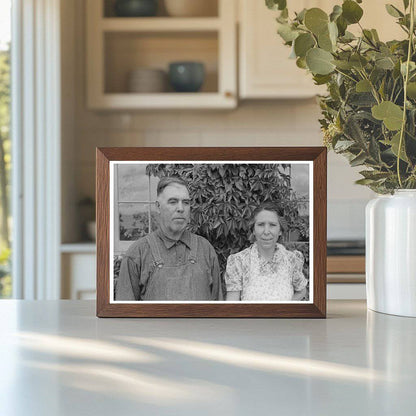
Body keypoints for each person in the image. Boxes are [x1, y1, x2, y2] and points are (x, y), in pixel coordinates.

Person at [115, 176, 223, 301]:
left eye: (186, 202)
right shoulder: (137, 253)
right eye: (173, 202)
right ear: (157, 206)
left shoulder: (205, 249)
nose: (181, 208)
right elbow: (125, 315)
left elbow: (217, 308)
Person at [225, 202, 308, 301]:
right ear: (253, 230)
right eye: (260, 225)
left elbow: (301, 291)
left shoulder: (291, 260)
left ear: (280, 230)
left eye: (272, 225)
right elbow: (232, 305)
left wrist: (285, 308)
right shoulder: (238, 262)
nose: (266, 231)